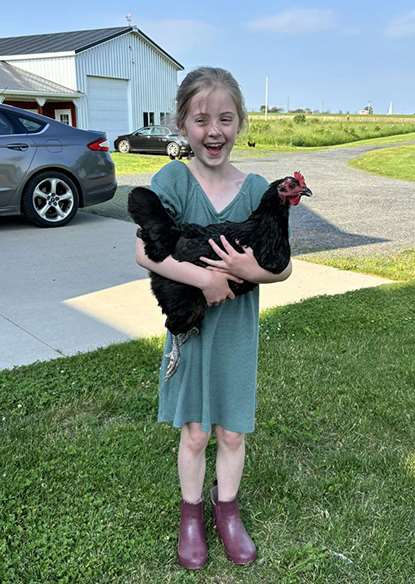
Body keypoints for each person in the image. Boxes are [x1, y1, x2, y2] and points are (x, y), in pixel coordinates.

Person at [135, 67, 292, 570]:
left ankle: (227, 512)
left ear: (240, 123)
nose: (214, 130)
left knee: (231, 433)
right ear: (183, 125)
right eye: (201, 119)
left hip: (236, 334)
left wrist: (253, 270)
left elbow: (284, 266)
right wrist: (204, 279)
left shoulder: (256, 189)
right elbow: (144, 251)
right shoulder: (174, 180)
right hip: (192, 328)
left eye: (225, 118)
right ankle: (190, 516)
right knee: (196, 432)